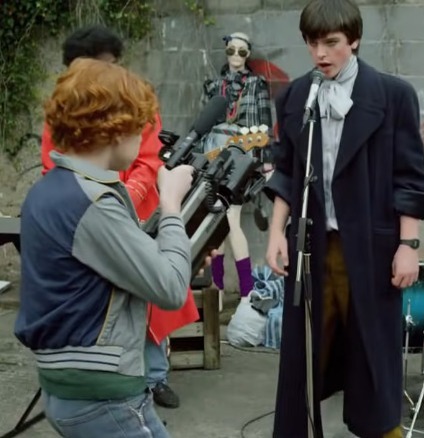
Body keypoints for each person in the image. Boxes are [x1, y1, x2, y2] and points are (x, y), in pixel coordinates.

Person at [263, 1, 424, 436]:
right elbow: (287, 167)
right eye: (313, 43)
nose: (321, 53)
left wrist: (407, 246)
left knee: (372, 351)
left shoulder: (393, 95)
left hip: (372, 246)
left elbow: (410, 178)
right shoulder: (298, 94)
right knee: (305, 353)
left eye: (332, 43)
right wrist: (277, 232)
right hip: (313, 245)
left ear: (353, 40)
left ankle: (381, 429)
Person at [14, 58, 196, 438]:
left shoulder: (46, 192)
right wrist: (172, 206)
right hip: (104, 397)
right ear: (115, 130)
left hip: (65, 388)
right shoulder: (93, 202)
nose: (144, 138)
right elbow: (169, 288)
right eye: (139, 127)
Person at [201, 31, 274, 303]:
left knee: (231, 219)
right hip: (213, 155)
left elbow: (264, 124)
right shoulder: (213, 85)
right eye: (231, 50)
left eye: (242, 52)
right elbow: (203, 123)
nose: (235, 56)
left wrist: (265, 161)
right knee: (215, 220)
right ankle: (216, 290)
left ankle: (245, 290)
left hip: (242, 154)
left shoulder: (256, 84)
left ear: (248, 55)